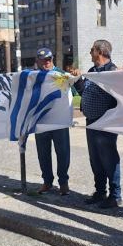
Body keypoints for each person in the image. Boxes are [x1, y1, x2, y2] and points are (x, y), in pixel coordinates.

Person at [72, 40, 121, 208]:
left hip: (105, 123)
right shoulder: (93, 71)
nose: (90, 52)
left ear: (99, 51)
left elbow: (119, 98)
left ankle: (115, 195)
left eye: (92, 49)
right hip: (91, 122)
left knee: (109, 159)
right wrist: (78, 81)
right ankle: (100, 192)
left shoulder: (112, 72)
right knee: (95, 159)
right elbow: (84, 92)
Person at [34, 47, 71, 195]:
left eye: (49, 60)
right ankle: (47, 181)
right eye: (43, 60)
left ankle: (63, 182)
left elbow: (71, 92)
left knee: (62, 152)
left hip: (59, 120)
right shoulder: (34, 77)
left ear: (52, 59)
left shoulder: (60, 75)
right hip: (41, 121)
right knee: (43, 153)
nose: (46, 63)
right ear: (37, 61)